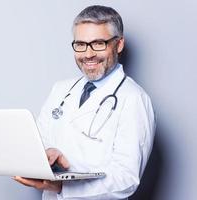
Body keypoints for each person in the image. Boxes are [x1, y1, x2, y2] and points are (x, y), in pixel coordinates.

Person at [14, 5, 156, 200]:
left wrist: (62, 187)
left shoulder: (134, 99)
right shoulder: (60, 90)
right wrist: (49, 155)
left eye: (98, 43)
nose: (88, 54)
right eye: (80, 44)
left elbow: (126, 179)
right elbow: (39, 142)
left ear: (119, 44)